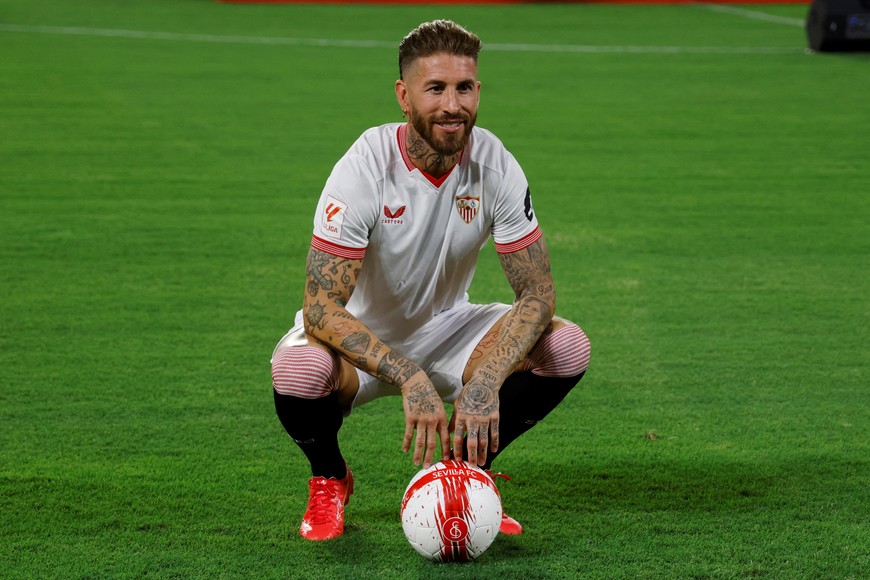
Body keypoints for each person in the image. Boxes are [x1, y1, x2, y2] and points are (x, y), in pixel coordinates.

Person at [270, 19, 591, 542]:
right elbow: (320, 307)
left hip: (450, 328)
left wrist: (486, 382)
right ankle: (330, 478)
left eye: (464, 88)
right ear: (404, 95)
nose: (452, 105)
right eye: (435, 88)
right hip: (362, 337)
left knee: (566, 347)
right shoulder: (366, 167)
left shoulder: (495, 163)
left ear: (478, 90)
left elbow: (536, 294)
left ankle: (465, 473)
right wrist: (408, 377)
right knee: (298, 368)